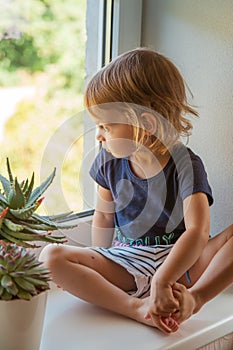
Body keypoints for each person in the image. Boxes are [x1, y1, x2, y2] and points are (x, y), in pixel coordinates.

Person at [39, 48, 233, 334]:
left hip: (182, 262)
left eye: (106, 125)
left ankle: (194, 299)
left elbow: (198, 232)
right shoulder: (107, 161)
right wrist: (97, 263)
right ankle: (136, 308)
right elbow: (103, 218)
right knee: (50, 256)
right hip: (128, 260)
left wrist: (164, 280)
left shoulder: (186, 164)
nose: (99, 135)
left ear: (145, 125)